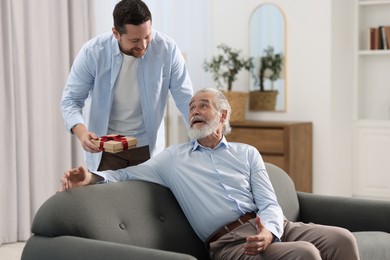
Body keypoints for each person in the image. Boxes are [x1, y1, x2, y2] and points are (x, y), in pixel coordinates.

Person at [60, 88, 359, 260]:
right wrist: (89, 178)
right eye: (191, 107)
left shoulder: (247, 153)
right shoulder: (172, 159)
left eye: (204, 105)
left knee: (343, 239)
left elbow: (269, 203)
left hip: (274, 225)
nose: (195, 111)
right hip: (231, 243)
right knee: (305, 254)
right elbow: (126, 175)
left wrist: (269, 231)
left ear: (223, 115)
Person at [60, 0, 193, 171]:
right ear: (116, 33)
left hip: (148, 150)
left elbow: (186, 100)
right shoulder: (93, 52)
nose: (143, 46)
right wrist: (82, 133)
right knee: (108, 197)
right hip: (107, 150)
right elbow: (70, 100)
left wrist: (202, 138)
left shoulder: (167, 50)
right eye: (135, 40)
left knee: (147, 198)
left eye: (147, 36)